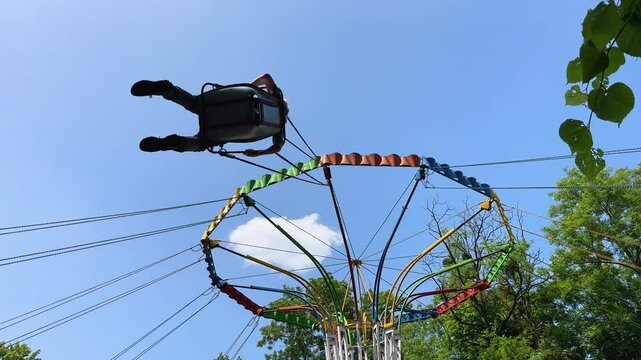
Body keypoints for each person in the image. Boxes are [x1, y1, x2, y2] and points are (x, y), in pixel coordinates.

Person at [131, 74, 288, 156]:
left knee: (194, 103)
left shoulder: (275, 98)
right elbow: (276, 148)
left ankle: (167, 90)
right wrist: (257, 153)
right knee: (202, 143)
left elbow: (266, 77)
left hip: (220, 104)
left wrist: (249, 87)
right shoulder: (278, 129)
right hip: (223, 130)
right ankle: (176, 142)